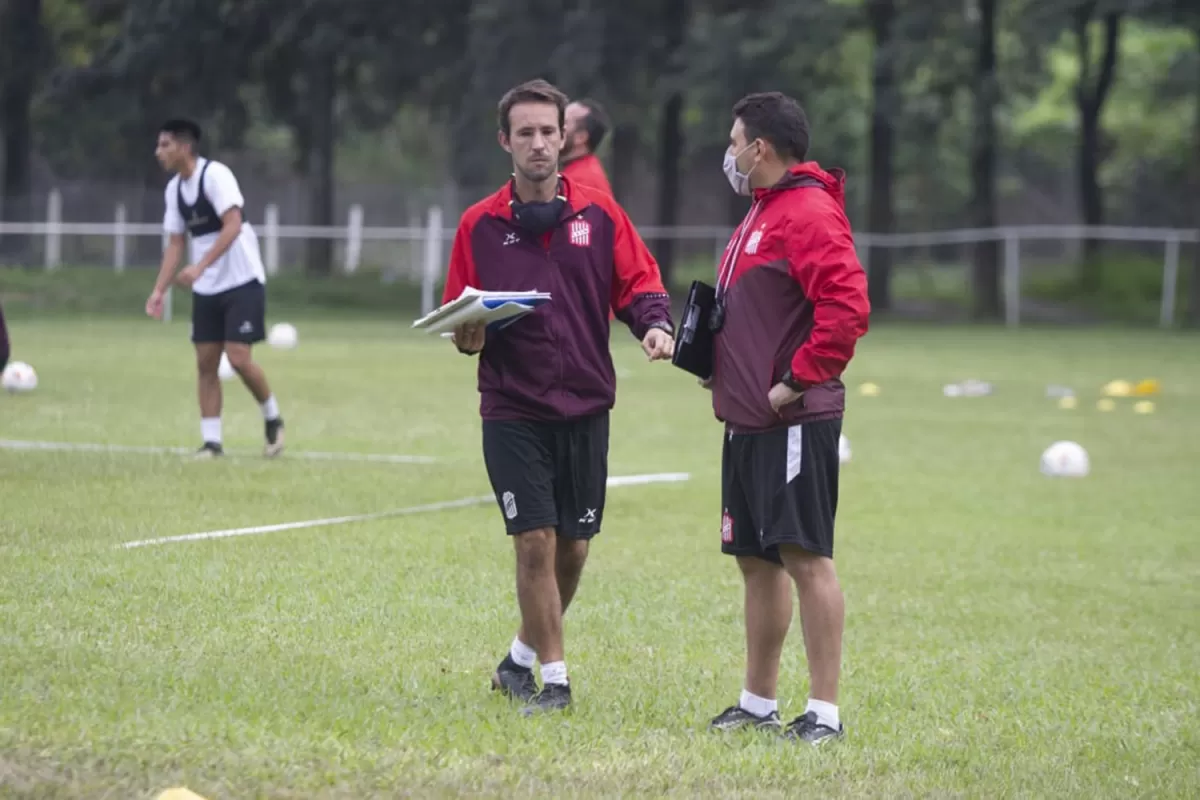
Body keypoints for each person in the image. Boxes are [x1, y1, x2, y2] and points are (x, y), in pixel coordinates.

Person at [443, 79, 676, 715]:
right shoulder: (479, 225)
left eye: (549, 132)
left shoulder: (599, 214)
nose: (540, 143)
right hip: (513, 406)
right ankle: (556, 682)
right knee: (534, 541)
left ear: (564, 138)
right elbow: (462, 320)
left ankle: (518, 661)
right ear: (505, 142)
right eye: (526, 133)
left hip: (587, 404)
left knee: (574, 547)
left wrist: (654, 323)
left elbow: (639, 283)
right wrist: (467, 338)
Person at [703, 92, 870, 744]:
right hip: (745, 421)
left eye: (734, 140)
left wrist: (798, 378)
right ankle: (757, 702)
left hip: (794, 420)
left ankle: (823, 714)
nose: (731, 152)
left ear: (760, 148)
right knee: (756, 560)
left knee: (806, 557)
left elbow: (847, 306)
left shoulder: (807, 212)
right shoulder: (761, 212)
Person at [145, 118, 285, 459]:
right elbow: (176, 243)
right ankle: (212, 444)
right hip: (207, 287)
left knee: (238, 358)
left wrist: (200, 265)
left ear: (184, 147)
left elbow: (233, 225)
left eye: (165, 145)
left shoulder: (216, 176)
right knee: (206, 363)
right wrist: (158, 290)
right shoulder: (174, 191)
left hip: (242, 280)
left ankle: (272, 418)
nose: (158, 152)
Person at [560, 99, 614, 198]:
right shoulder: (582, 172)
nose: (554, 126)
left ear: (580, 137)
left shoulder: (581, 183)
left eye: (563, 122)